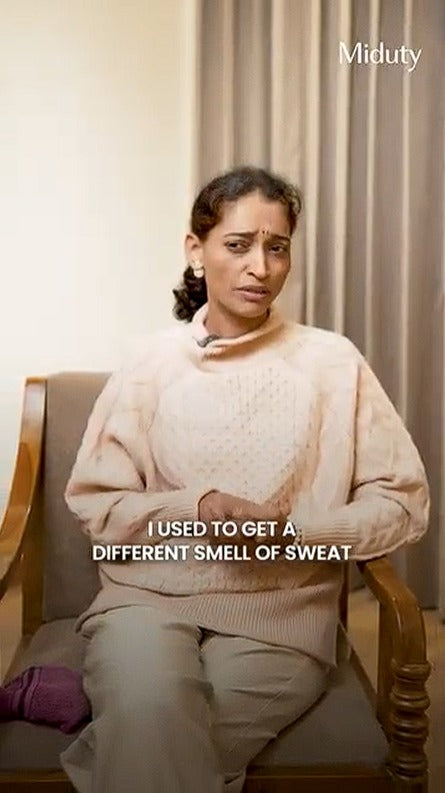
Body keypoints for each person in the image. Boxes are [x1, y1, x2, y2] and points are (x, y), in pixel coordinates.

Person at [60, 165, 429, 793]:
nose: (261, 267)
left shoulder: (332, 362)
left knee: (149, 742)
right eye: (238, 245)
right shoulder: (148, 364)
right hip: (146, 602)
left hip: (282, 618)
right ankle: (113, 712)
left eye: (277, 247)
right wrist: (197, 508)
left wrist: (298, 535)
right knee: (154, 719)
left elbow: (402, 502)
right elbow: (98, 505)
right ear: (195, 250)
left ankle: (87, 714)